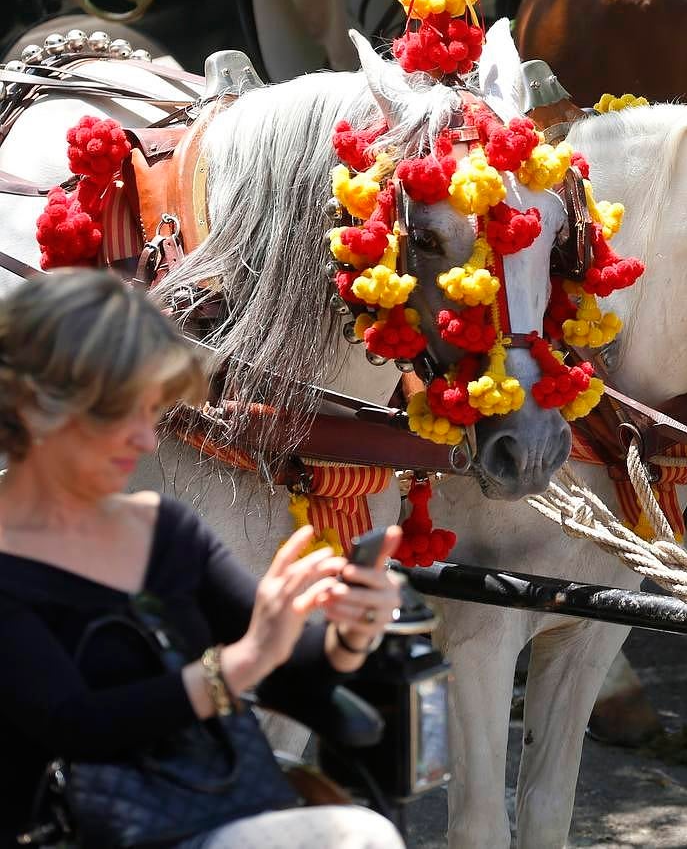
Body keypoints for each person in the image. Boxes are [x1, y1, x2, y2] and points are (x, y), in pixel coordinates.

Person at [0, 270, 405, 849]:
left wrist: (351, 633)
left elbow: (289, 676)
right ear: (39, 408)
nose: (146, 440)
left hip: (201, 812)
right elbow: (73, 724)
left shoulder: (163, 530)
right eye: (125, 414)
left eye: (153, 411)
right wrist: (237, 666)